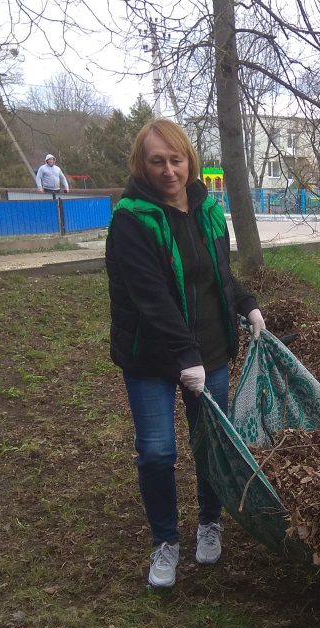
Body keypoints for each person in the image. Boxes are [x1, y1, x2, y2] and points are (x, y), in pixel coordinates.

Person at [105, 118, 266, 589]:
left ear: (190, 161)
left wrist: (247, 305)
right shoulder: (132, 220)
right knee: (157, 453)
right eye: (158, 161)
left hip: (210, 351)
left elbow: (217, 277)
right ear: (143, 164)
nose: (169, 170)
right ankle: (165, 541)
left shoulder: (209, 213)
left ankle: (209, 522)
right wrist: (183, 355)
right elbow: (149, 297)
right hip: (151, 357)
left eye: (176, 160)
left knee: (210, 444)